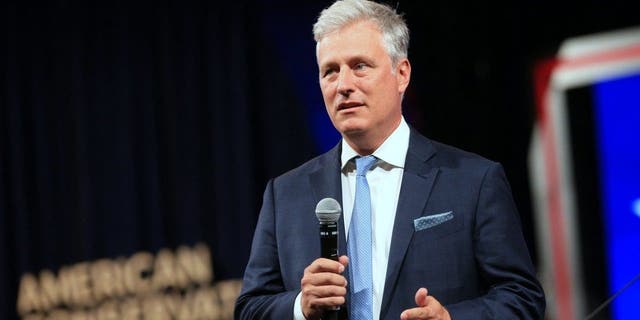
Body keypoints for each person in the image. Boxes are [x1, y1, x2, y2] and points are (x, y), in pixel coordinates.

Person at [235, 0, 546, 319]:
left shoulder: (473, 181)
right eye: (330, 71)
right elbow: (250, 309)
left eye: (359, 66)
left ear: (401, 74)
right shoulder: (285, 195)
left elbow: (522, 297)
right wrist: (300, 306)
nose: (343, 85)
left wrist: (451, 318)